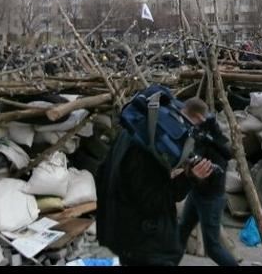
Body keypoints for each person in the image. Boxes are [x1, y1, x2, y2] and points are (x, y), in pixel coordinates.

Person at [96, 92, 215, 266]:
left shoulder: (132, 133)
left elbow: (102, 173)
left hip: (124, 235)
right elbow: (154, 201)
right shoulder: (148, 151)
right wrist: (190, 178)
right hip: (147, 246)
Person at [178, 98, 239, 266]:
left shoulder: (212, 136)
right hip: (197, 193)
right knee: (181, 232)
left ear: (197, 116)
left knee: (212, 247)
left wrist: (191, 172)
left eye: (186, 118)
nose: (184, 122)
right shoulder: (202, 132)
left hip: (211, 197)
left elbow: (217, 169)